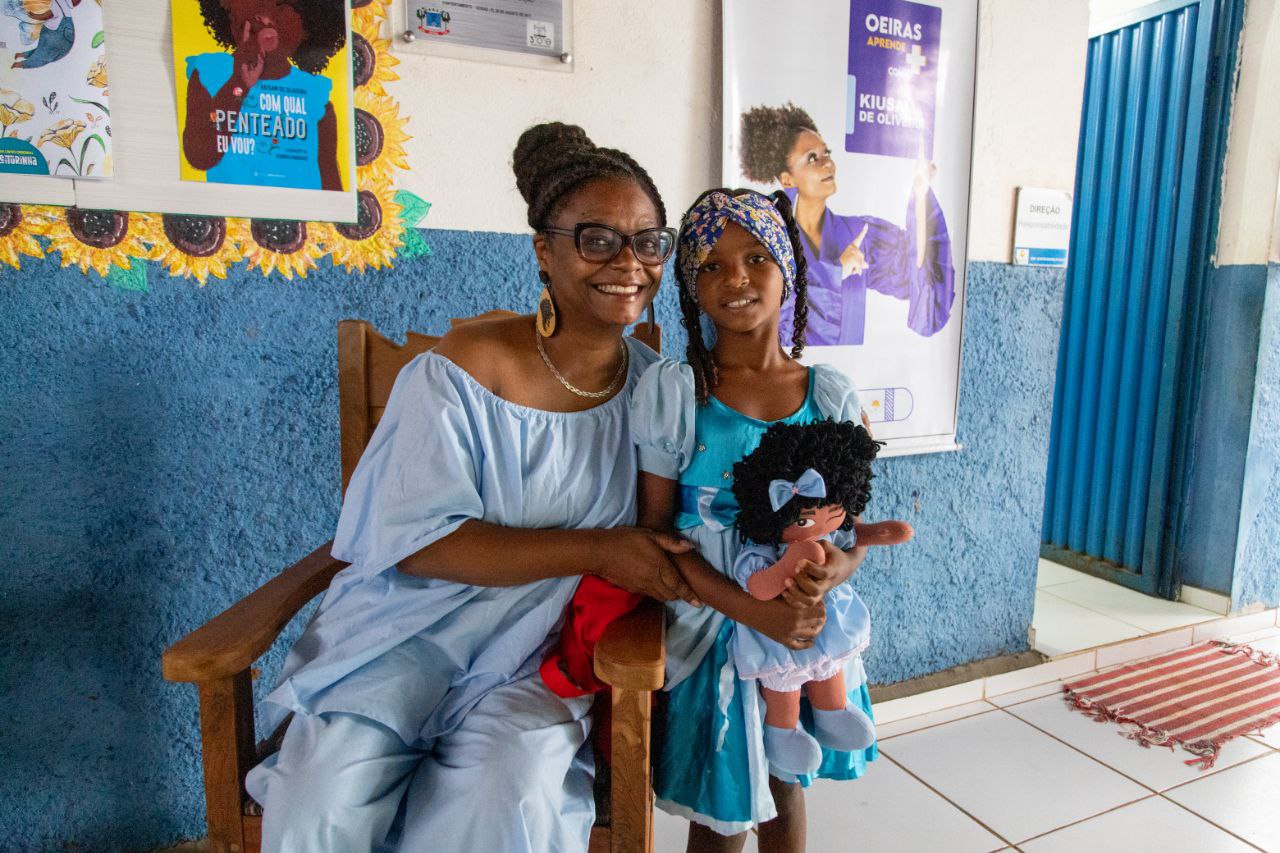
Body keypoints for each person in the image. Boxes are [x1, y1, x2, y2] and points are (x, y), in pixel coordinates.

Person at [244, 122, 696, 852]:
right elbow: (422, 542)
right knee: (322, 798)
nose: (629, 263)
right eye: (597, 239)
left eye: (648, 242)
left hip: (537, 653)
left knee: (510, 795)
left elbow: (694, 524)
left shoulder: (657, 394)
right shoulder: (465, 367)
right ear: (544, 251)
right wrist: (600, 549)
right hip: (405, 634)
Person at [631, 188, 877, 851]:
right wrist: (754, 612)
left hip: (801, 628)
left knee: (786, 788)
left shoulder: (829, 394)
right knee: (723, 812)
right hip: (712, 624)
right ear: (691, 285)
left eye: (756, 258)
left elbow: (850, 532)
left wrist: (832, 575)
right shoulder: (677, 392)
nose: (735, 278)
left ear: (786, 271)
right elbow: (656, 539)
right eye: (711, 265)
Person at [739, 102, 954, 347]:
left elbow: (919, 277)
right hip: (788, 369)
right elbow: (766, 317)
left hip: (849, 369)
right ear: (787, 179)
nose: (827, 164)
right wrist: (836, 271)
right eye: (812, 158)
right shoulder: (769, 241)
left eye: (827, 153)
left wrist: (920, 194)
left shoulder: (859, 234)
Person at [183, 0, 346, 190]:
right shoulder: (210, 72)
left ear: (307, 24)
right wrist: (239, 83)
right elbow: (200, 157)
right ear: (229, 12)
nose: (266, 17)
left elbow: (331, 186)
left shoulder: (315, 93)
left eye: (282, 5)